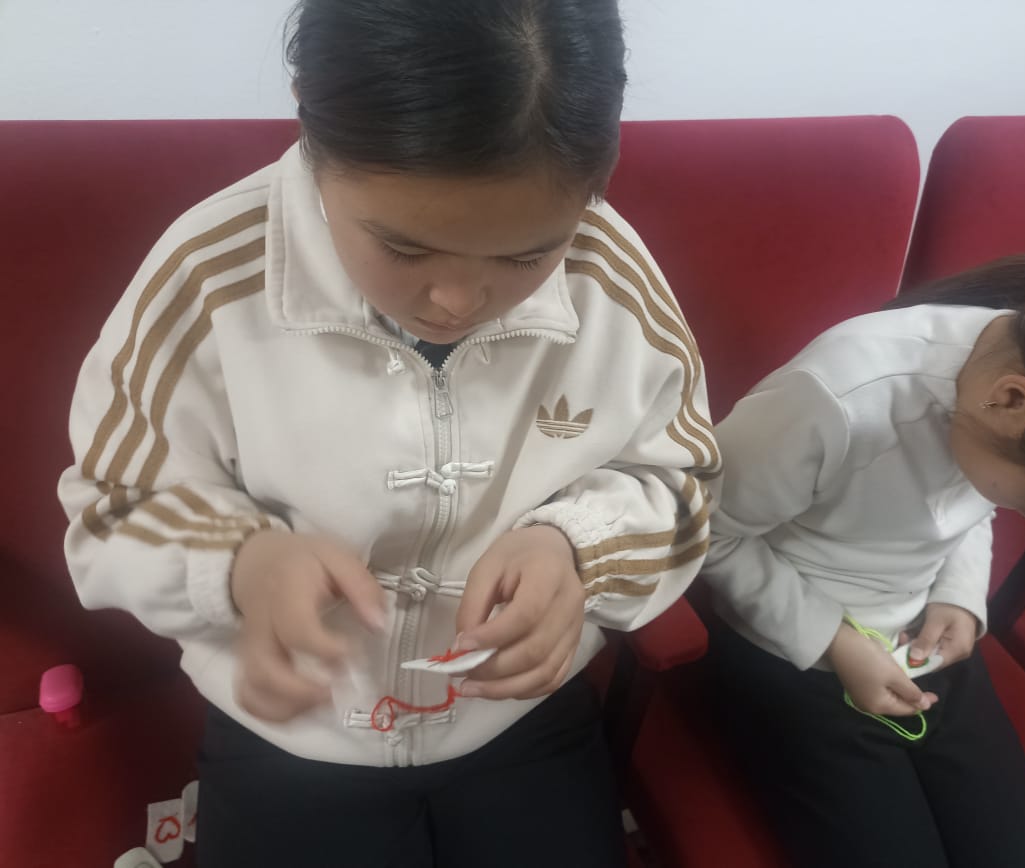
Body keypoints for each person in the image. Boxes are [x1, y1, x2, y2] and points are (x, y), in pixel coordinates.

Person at [58, 2, 719, 865]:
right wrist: (241, 561)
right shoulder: (209, 277)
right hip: (291, 729)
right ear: (308, 111)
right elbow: (111, 507)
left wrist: (578, 549)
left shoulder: (610, 277)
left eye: (527, 257)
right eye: (405, 250)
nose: (457, 301)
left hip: (517, 715)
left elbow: (683, 480)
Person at [702, 255, 1025, 867]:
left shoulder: (1018, 387)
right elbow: (706, 530)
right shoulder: (839, 397)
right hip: (787, 639)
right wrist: (834, 640)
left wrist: (960, 597)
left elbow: (971, 502)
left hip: (918, 630)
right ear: (1012, 401)